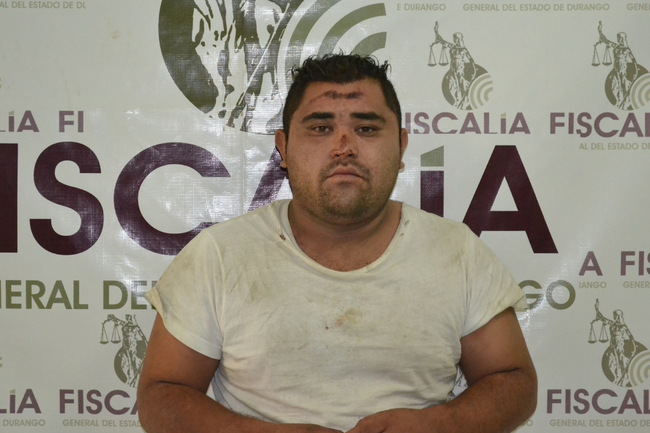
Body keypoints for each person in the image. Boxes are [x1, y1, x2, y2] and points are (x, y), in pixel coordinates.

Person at [137, 53, 537, 433]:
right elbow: (161, 396)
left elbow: (513, 381)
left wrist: (440, 426)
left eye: (367, 129)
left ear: (401, 147)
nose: (344, 147)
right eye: (320, 128)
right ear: (283, 148)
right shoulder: (219, 255)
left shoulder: (456, 251)